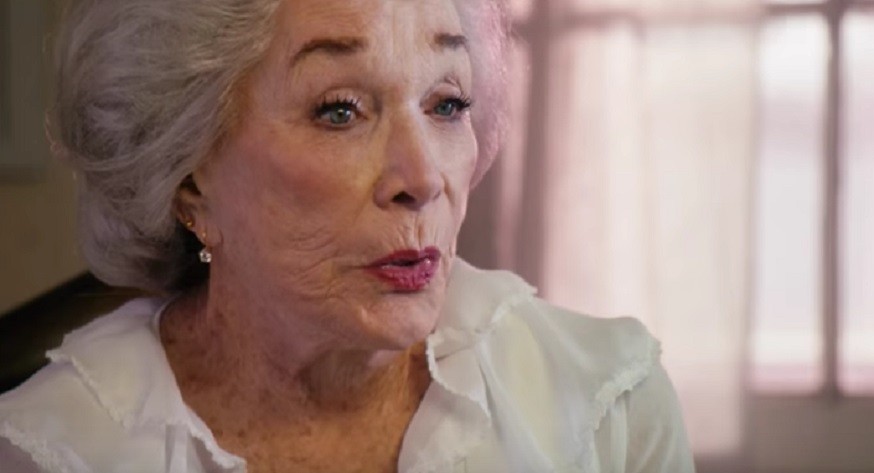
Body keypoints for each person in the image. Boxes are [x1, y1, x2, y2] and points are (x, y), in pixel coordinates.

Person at [0, 0, 696, 471]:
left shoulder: (608, 410)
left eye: (447, 103)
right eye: (340, 111)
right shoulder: (52, 451)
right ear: (189, 180)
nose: (421, 177)